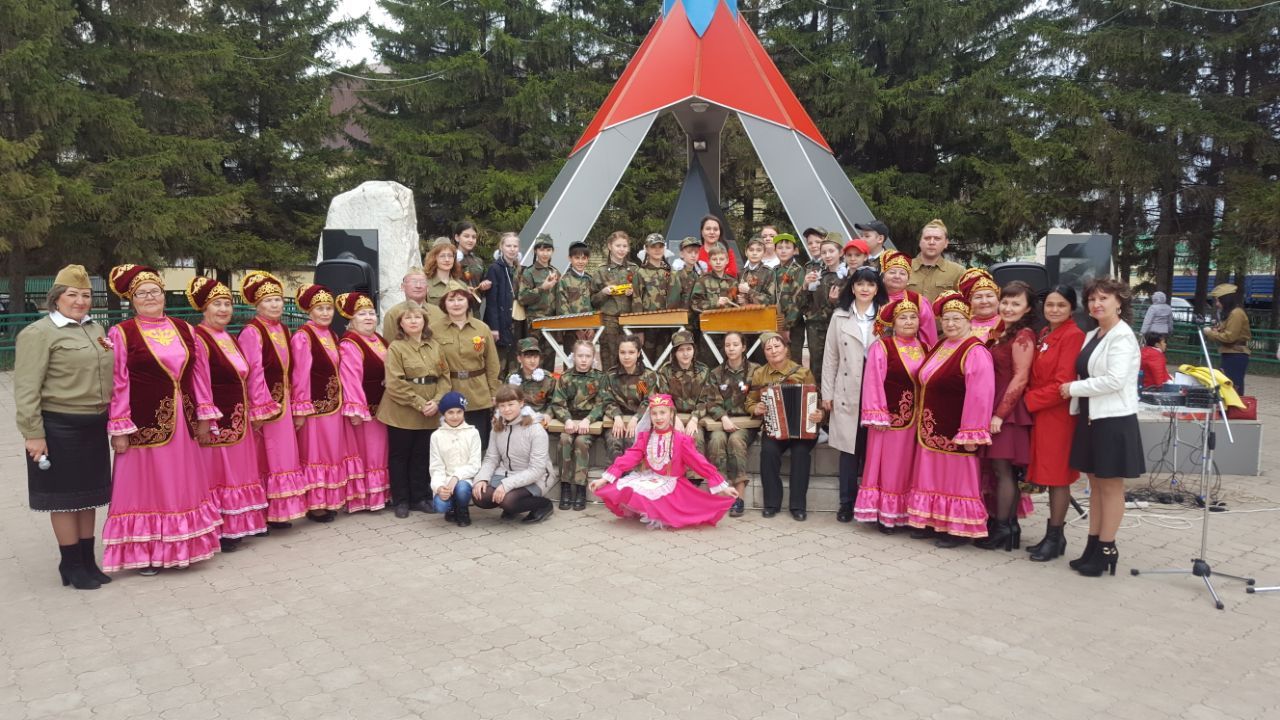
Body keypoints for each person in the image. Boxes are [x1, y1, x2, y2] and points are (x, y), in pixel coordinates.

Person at [102, 265, 222, 575]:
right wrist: (119, 427)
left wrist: (205, 415)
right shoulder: (122, 332)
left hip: (183, 422)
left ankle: (184, 545)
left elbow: (199, 375)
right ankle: (149, 552)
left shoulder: (184, 328)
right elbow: (118, 382)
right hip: (143, 424)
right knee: (148, 488)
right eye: (141, 293)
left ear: (164, 295)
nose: (149, 297)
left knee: (181, 484)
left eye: (154, 291)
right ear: (132, 299)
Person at [13, 264, 115, 589]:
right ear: (56, 298)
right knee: (65, 499)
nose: (80, 300)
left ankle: (87, 560)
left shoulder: (96, 328)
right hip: (59, 427)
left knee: (89, 497)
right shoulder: (39, 333)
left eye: (85, 295)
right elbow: (27, 389)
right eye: (72, 294)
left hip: (93, 425)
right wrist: (33, 434)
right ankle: (70, 564)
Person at [1062, 277, 1145, 577]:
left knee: (1110, 487)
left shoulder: (1122, 336)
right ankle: (1092, 545)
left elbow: (1115, 380)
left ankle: (1107, 547)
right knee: (1094, 485)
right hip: (1091, 416)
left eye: (1104, 299)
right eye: (1092, 299)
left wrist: (1072, 388)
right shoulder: (1095, 334)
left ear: (1119, 302)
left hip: (1113, 419)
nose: (1097, 304)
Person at [905, 291, 995, 548]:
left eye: (957, 319)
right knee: (932, 478)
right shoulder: (941, 345)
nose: (951, 324)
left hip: (955, 428)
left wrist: (971, 431)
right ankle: (932, 520)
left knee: (956, 481)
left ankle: (956, 528)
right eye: (946, 319)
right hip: (931, 429)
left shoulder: (975, 350)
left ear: (969, 320)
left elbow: (980, 395)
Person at [188, 277, 268, 553]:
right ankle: (220, 529)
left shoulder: (228, 337)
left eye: (227, 304)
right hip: (218, 420)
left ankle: (237, 524)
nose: (223, 310)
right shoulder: (199, 339)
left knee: (237, 473)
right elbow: (199, 381)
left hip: (239, 418)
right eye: (217, 305)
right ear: (204, 309)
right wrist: (205, 418)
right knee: (219, 475)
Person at [590, 394, 739, 529]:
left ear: (671, 414)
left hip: (672, 484)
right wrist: (604, 479)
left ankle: (663, 511)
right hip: (651, 478)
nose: (658, 417)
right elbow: (630, 457)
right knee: (627, 487)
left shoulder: (681, 440)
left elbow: (699, 463)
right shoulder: (646, 437)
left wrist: (723, 487)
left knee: (665, 503)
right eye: (654, 413)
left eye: (662, 413)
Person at [238, 271, 309, 527]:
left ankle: (279, 511)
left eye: (278, 299)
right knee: (267, 457)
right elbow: (254, 370)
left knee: (282, 457)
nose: (275, 304)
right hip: (267, 404)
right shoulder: (251, 331)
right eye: (268, 301)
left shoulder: (282, 328)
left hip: (284, 401)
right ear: (257, 305)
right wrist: (261, 407)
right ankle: (265, 512)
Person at [853, 298, 927, 532]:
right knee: (891, 469)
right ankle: (888, 515)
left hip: (918, 423)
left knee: (911, 470)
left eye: (913, 317)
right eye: (903, 317)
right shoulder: (883, 347)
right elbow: (873, 382)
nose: (908, 321)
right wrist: (878, 414)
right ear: (893, 322)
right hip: (890, 420)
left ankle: (909, 513)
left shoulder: (925, 346)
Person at [975, 281, 1039, 551]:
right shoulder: (1003, 332)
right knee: (1002, 471)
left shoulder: (1023, 335)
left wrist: (1000, 414)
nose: (1008, 307)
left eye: (1016, 303)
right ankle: (1008, 527)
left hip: (1008, 410)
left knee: (1004, 471)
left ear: (1027, 309)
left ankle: (1003, 527)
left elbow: (1020, 377)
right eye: (1006, 302)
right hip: (999, 404)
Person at [1023, 285, 1085, 562]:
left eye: (1061, 305)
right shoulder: (1045, 333)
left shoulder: (1073, 335)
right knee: (1046, 473)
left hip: (1057, 414)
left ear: (1072, 308)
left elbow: (1063, 383)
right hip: (1041, 412)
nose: (1054, 310)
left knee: (1058, 477)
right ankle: (1053, 537)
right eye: (1050, 304)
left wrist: (1027, 400)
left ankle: (1056, 535)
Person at [290, 283, 361, 522]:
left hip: (333, 406)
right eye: (319, 308)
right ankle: (315, 505)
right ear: (309, 311)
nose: (325, 313)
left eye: (329, 308)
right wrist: (301, 409)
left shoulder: (331, 335)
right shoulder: (303, 336)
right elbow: (300, 375)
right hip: (315, 408)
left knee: (331, 454)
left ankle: (330, 499)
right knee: (315, 455)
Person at [822, 266, 885, 522]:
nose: (865, 289)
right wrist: (827, 393)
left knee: (874, 450)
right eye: (860, 284)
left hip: (877, 393)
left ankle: (873, 503)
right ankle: (846, 502)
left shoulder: (885, 316)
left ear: (877, 289)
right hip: (847, 391)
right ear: (853, 287)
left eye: (870, 284)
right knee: (849, 450)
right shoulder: (839, 316)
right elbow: (831, 357)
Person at [378, 304, 451, 518]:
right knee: (400, 456)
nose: (413, 321)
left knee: (422, 455)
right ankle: (401, 500)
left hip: (430, 408)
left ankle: (420, 497)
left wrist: (437, 401)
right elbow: (395, 382)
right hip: (402, 410)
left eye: (417, 317)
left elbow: (445, 377)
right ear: (400, 323)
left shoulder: (435, 346)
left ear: (424, 321)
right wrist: (420, 403)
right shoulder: (396, 348)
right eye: (408, 318)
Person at [746, 332, 825, 520]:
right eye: (768, 348)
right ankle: (772, 503)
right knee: (768, 451)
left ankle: (798, 506)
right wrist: (755, 407)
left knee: (800, 453)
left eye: (777, 346)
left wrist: (819, 413)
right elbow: (749, 400)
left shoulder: (802, 372)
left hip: (802, 429)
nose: (773, 351)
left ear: (786, 349)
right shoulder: (759, 374)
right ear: (764, 353)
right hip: (774, 428)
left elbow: (818, 400)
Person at [337, 291, 391, 513]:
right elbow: (350, 377)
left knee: (381, 452)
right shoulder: (350, 343)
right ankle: (366, 497)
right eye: (362, 314)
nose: (368, 318)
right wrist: (357, 409)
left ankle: (382, 493)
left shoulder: (379, 339)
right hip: (366, 409)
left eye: (371, 313)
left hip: (384, 407)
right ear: (351, 320)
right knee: (369, 452)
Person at [432, 280, 502, 451]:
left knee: (478, 442)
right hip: (449, 390)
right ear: (444, 304)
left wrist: (494, 392)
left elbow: (492, 363)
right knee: (451, 443)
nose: (456, 304)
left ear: (468, 301)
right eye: (451, 300)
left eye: (460, 299)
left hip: (478, 392)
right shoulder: (434, 330)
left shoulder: (481, 328)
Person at [473, 385, 556, 523]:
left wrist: (506, 485)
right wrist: (481, 479)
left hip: (536, 477)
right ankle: (512, 503)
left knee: (508, 501)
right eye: (502, 405)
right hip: (506, 474)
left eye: (511, 404)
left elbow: (537, 469)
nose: (506, 409)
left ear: (521, 403)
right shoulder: (497, 427)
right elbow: (491, 458)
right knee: (479, 496)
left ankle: (544, 505)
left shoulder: (536, 430)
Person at [705, 332, 760, 517]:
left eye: (735, 344)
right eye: (728, 345)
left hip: (747, 424)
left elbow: (761, 396)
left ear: (744, 347)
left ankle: (739, 498)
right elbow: (711, 401)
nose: (731, 348)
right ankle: (720, 494)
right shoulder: (716, 373)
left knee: (736, 441)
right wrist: (723, 417)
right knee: (716, 440)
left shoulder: (755, 371)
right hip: (722, 422)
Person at [549, 340, 606, 510]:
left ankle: (580, 488)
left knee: (581, 442)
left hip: (589, 424)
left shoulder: (599, 378)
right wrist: (566, 419)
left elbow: (602, 404)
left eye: (588, 356)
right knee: (565, 440)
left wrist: (589, 419)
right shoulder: (565, 377)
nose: (583, 360)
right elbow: (557, 403)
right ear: (573, 357)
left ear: (593, 358)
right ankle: (565, 487)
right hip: (569, 423)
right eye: (580, 356)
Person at [658, 330, 711, 482]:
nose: (685, 354)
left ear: (694, 350)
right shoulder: (665, 371)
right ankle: (674, 479)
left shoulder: (703, 370)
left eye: (689, 349)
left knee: (696, 437)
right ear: (674, 352)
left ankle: (694, 482)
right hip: (671, 417)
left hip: (696, 417)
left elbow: (705, 399)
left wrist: (694, 419)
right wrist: (674, 418)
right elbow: (664, 398)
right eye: (681, 350)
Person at [429, 392, 482, 526]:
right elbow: (436, 466)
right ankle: (451, 508)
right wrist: (439, 487)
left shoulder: (473, 433)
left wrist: (457, 477)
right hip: (445, 480)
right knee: (440, 505)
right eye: (450, 412)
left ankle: (462, 510)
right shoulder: (436, 436)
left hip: (465, 478)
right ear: (443, 414)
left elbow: (475, 464)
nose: (455, 416)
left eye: (459, 412)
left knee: (462, 489)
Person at [604, 336, 662, 458]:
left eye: (631, 352)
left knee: (632, 441)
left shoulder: (646, 376)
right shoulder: (611, 375)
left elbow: (648, 401)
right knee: (614, 442)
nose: (626, 356)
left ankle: (630, 475)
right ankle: (616, 474)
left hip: (639, 419)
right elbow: (607, 399)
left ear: (639, 353)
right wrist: (617, 417)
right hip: (617, 419)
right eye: (622, 352)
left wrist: (636, 418)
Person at [591, 230, 638, 373]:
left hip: (629, 319)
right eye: (618, 245)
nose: (621, 249)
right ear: (610, 246)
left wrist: (633, 293)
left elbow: (642, 295)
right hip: (608, 320)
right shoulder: (601, 271)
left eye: (624, 246)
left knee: (630, 357)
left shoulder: (634, 269)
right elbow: (592, 300)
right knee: (609, 357)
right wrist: (603, 292)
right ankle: (608, 389)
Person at [516, 234, 560, 371]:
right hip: (534, 325)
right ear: (535, 251)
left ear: (552, 251)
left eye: (548, 250)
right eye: (541, 250)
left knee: (549, 362)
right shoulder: (529, 272)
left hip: (552, 322)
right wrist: (542, 288)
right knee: (533, 362)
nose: (545, 253)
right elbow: (522, 298)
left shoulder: (555, 272)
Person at [804, 235, 844, 387]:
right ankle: (818, 400)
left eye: (831, 251)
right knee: (817, 364)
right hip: (816, 327)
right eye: (824, 252)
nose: (827, 256)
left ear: (840, 253)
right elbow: (805, 302)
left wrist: (835, 302)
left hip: (838, 326)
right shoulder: (818, 275)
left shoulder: (847, 275)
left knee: (839, 363)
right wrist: (805, 286)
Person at [688, 244, 737, 366]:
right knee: (708, 362)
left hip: (729, 329)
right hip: (709, 328)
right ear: (709, 261)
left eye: (721, 259)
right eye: (714, 260)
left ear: (727, 261)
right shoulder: (703, 280)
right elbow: (695, 303)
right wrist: (715, 303)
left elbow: (737, 305)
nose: (718, 262)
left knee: (728, 361)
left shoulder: (733, 281)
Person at [483, 231, 522, 374]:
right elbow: (491, 301)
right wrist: (494, 327)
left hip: (515, 322)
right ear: (501, 247)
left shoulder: (518, 269)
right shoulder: (495, 268)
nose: (512, 249)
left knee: (514, 365)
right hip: (500, 322)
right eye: (508, 245)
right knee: (499, 365)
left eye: (515, 246)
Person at [880, 250, 937, 346]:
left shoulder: (918, 301)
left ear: (908, 279)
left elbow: (928, 336)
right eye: (892, 272)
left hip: (910, 355)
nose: (897, 276)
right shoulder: (872, 298)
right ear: (883, 276)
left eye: (902, 273)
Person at [634, 232, 675, 364]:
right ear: (646, 248)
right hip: (647, 326)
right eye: (653, 247)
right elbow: (636, 300)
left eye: (660, 246)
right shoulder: (640, 273)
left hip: (666, 325)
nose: (657, 250)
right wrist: (638, 329)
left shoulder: (669, 272)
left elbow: (674, 298)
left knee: (663, 362)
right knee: (645, 361)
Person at [1204, 283, 1251, 393]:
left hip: (1236, 355)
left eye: (1218, 301)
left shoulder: (1236, 314)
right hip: (1231, 353)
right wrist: (1216, 331)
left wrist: (1210, 333)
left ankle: (1234, 409)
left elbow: (1230, 337)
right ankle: (1228, 409)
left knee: (1233, 387)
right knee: (1228, 386)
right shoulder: (1231, 314)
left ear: (1226, 300)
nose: (1217, 304)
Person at [907, 219, 965, 302]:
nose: (931, 242)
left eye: (937, 239)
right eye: (927, 238)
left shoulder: (958, 272)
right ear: (920, 242)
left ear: (946, 243)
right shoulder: (904, 267)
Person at [773, 233, 808, 364]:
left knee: (793, 360)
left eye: (787, 247)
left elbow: (798, 300)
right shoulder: (774, 270)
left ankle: (796, 385)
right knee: (777, 358)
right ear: (775, 250)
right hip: (776, 322)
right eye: (780, 247)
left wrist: (787, 327)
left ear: (795, 251)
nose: (783, 250)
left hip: (793, 325)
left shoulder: (797, 270)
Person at [507, 337, 556, 419]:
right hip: (519, 419)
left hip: (541, 418)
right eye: (528, 357)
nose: (533, 361)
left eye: (536, 357)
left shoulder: (548, 378)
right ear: (519, 359)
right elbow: (506, 400)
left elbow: (555, 401)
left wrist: (548, 414)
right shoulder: (512, 378)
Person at [382, 269, 432, 339]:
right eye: (413, 282)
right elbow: (389, 345)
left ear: (428, 287)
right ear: (403, 287)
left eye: (422, 282)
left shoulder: (438, 312)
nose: (418, 286)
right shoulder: (393, 314)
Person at [958, 268, 1002, 343]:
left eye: (989, 296)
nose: (984, 301)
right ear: (970, 302)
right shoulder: (960, 325)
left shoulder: (1006, 323)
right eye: (978, 297)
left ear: (998, 299)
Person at [424, 241, 463, 315]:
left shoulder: (461, 285)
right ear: (434, 258)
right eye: (442, 256)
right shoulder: (425, 284)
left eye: (450, 256)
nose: (447, 260)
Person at [737, 236, 776, 307]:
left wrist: (749, 291)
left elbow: (771, 300)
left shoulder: (769, 272)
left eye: (758, 250)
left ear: (764, 253)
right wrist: (739, 299)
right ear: (746, 252)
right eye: (751, 250)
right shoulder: (741, 273)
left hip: (762, 314)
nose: (754, 253)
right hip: (743, 314)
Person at [454, 221, 491, 293]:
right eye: (466, 236)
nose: (470, 240)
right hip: (457, 301)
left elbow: (484, 279)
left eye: (474, 237)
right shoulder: (450, 259)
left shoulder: (478, 261)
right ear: (457, 237)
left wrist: (484, 284)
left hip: (477, 302)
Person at [670, 236, 703, 307]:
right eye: (689, 252)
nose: (693, 255)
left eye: (696, 252)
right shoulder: (676, 275)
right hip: (680, 316)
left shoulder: (698, 275)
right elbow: (672, 303)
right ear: (681, 254)